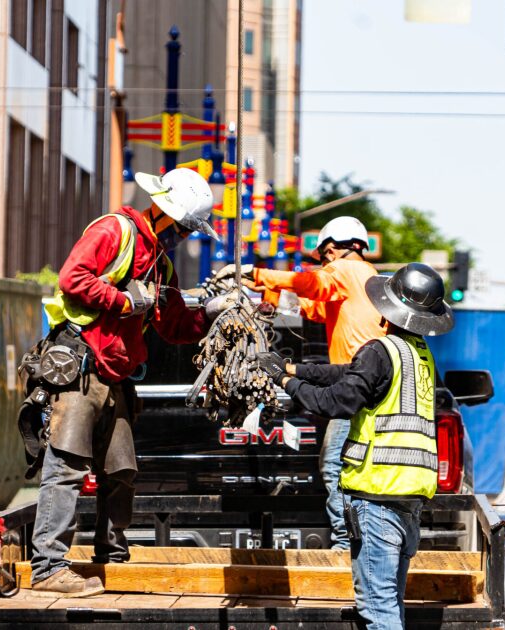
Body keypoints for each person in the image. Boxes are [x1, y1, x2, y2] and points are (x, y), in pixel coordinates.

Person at [28, 168, 227, 597]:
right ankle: (47, 567)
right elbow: (72, 279)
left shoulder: (162, 264)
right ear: (165, 214)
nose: (186, 237)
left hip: (116, 377)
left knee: (120, 470)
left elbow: (174, 326)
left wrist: (211, 311)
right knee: (66, 468)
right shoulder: (113, 231)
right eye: (185, 228)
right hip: (81, 369)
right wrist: (122, 300)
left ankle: (111, 557)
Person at [250, 263, 454, 629]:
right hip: (408, 499)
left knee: (377, 611)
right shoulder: (418, 356)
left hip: (376, 498)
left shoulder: (379, 351)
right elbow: (348, 373)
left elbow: (334, 403)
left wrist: (282, 380)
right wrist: (295, 369)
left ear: (386, 309)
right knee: (389, 601)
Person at [213, 215, 385, 550]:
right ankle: (360, 537)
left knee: (334, 465)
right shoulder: (367, 277)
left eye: (323, 258)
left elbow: (312, 284)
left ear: (332, 248)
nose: (324, 264)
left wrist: (256, 273)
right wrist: (271, 295)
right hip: (368, 385)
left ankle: (345, 544)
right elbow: (315, 307)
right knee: (354, 465)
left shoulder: (345, 270)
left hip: (354, 385)